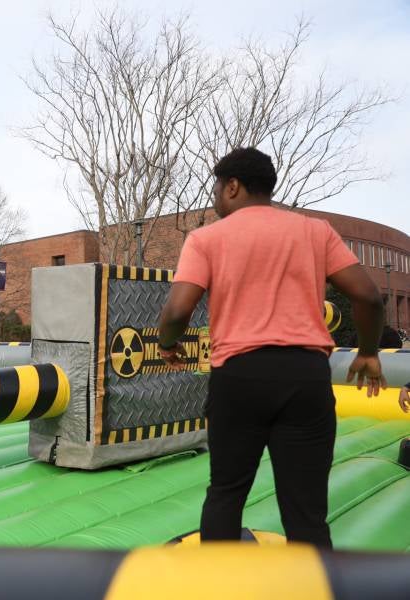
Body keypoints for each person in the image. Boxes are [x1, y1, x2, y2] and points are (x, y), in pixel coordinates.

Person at [158, 147, 386, 548]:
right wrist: (368, 351)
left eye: (216, 188)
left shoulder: (206, 239)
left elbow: (178, 308)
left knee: (226, 492)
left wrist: (167, 343)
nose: (214, 197)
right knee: (307, 511)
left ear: (232, 186)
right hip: (305, 378)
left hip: (239, 378)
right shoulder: (315, 231)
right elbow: (368, 297)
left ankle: (218, 587)